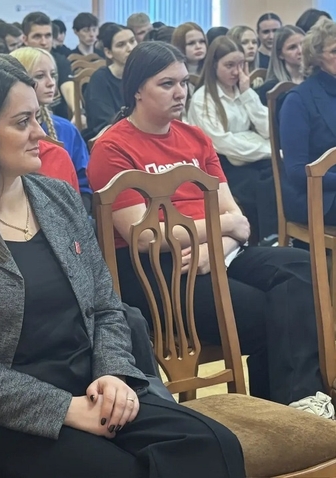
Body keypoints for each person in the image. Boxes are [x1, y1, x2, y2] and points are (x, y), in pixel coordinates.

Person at [0, 56, 245, 478]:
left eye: (38, 117)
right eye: (23, 122)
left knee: (212, 444)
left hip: (94, 386)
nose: (40, 133)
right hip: (7, 414)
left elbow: (107, 308)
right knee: (122, 471)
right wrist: (65, 408)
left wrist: (113, 375)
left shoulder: (58, 199)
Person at [87, 40, 327, 411]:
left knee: (303, 268)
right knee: (272, 310)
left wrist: (215, 246)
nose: (180, 92)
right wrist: (219, 230)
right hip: (154, 271)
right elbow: (145, 236)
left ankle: (298, 404)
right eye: (167, 84)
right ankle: (287, 407)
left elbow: (239, 222)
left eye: (184, 82)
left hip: (213, 253)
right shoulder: (112, 147)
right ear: (137, 90)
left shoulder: (195, 137)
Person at [187, 36, 278, 242]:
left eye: (241, 64)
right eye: (229, 65)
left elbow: (268, 130)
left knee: (280, 175)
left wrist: (247, 94)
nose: (237, 72)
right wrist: (268, 150)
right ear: (214, 66)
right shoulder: (203, 98)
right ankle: (267, 238)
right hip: (222, 166)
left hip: (252, 158)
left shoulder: (242, 91)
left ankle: (279, 235)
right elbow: (223, 143)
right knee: (264, 184)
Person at [10, 47, 92, 209]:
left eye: (53, 75)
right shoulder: (8, 134)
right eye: (40, 76)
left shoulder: (67, 129)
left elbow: (85, 184)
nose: (51, 82)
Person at [279, 19, 336, 225]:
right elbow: (297, 171)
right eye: (334, 51)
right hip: (317, 196)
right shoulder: (298, 100)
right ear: (316, 57)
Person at [84, 23, 137, 138]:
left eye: (132, 41)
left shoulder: (143, 75)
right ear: (108, 52)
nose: (130, 48)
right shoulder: (100, 79)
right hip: (110, 137)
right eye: (121, 45)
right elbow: (104, 122)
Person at [23, 12, 74, 121]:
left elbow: (68, 87)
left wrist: (78, 111)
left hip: (58, 121)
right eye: (37, 36)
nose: (44, 42)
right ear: (25, 39)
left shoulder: (60, 61)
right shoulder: (17, 62)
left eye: (48, 36)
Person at [255, 25, 305, 105]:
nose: (300, 51)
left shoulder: (316, 78)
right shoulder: (271, 87)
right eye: (292, 47)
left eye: (304, 44)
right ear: (280, 54)